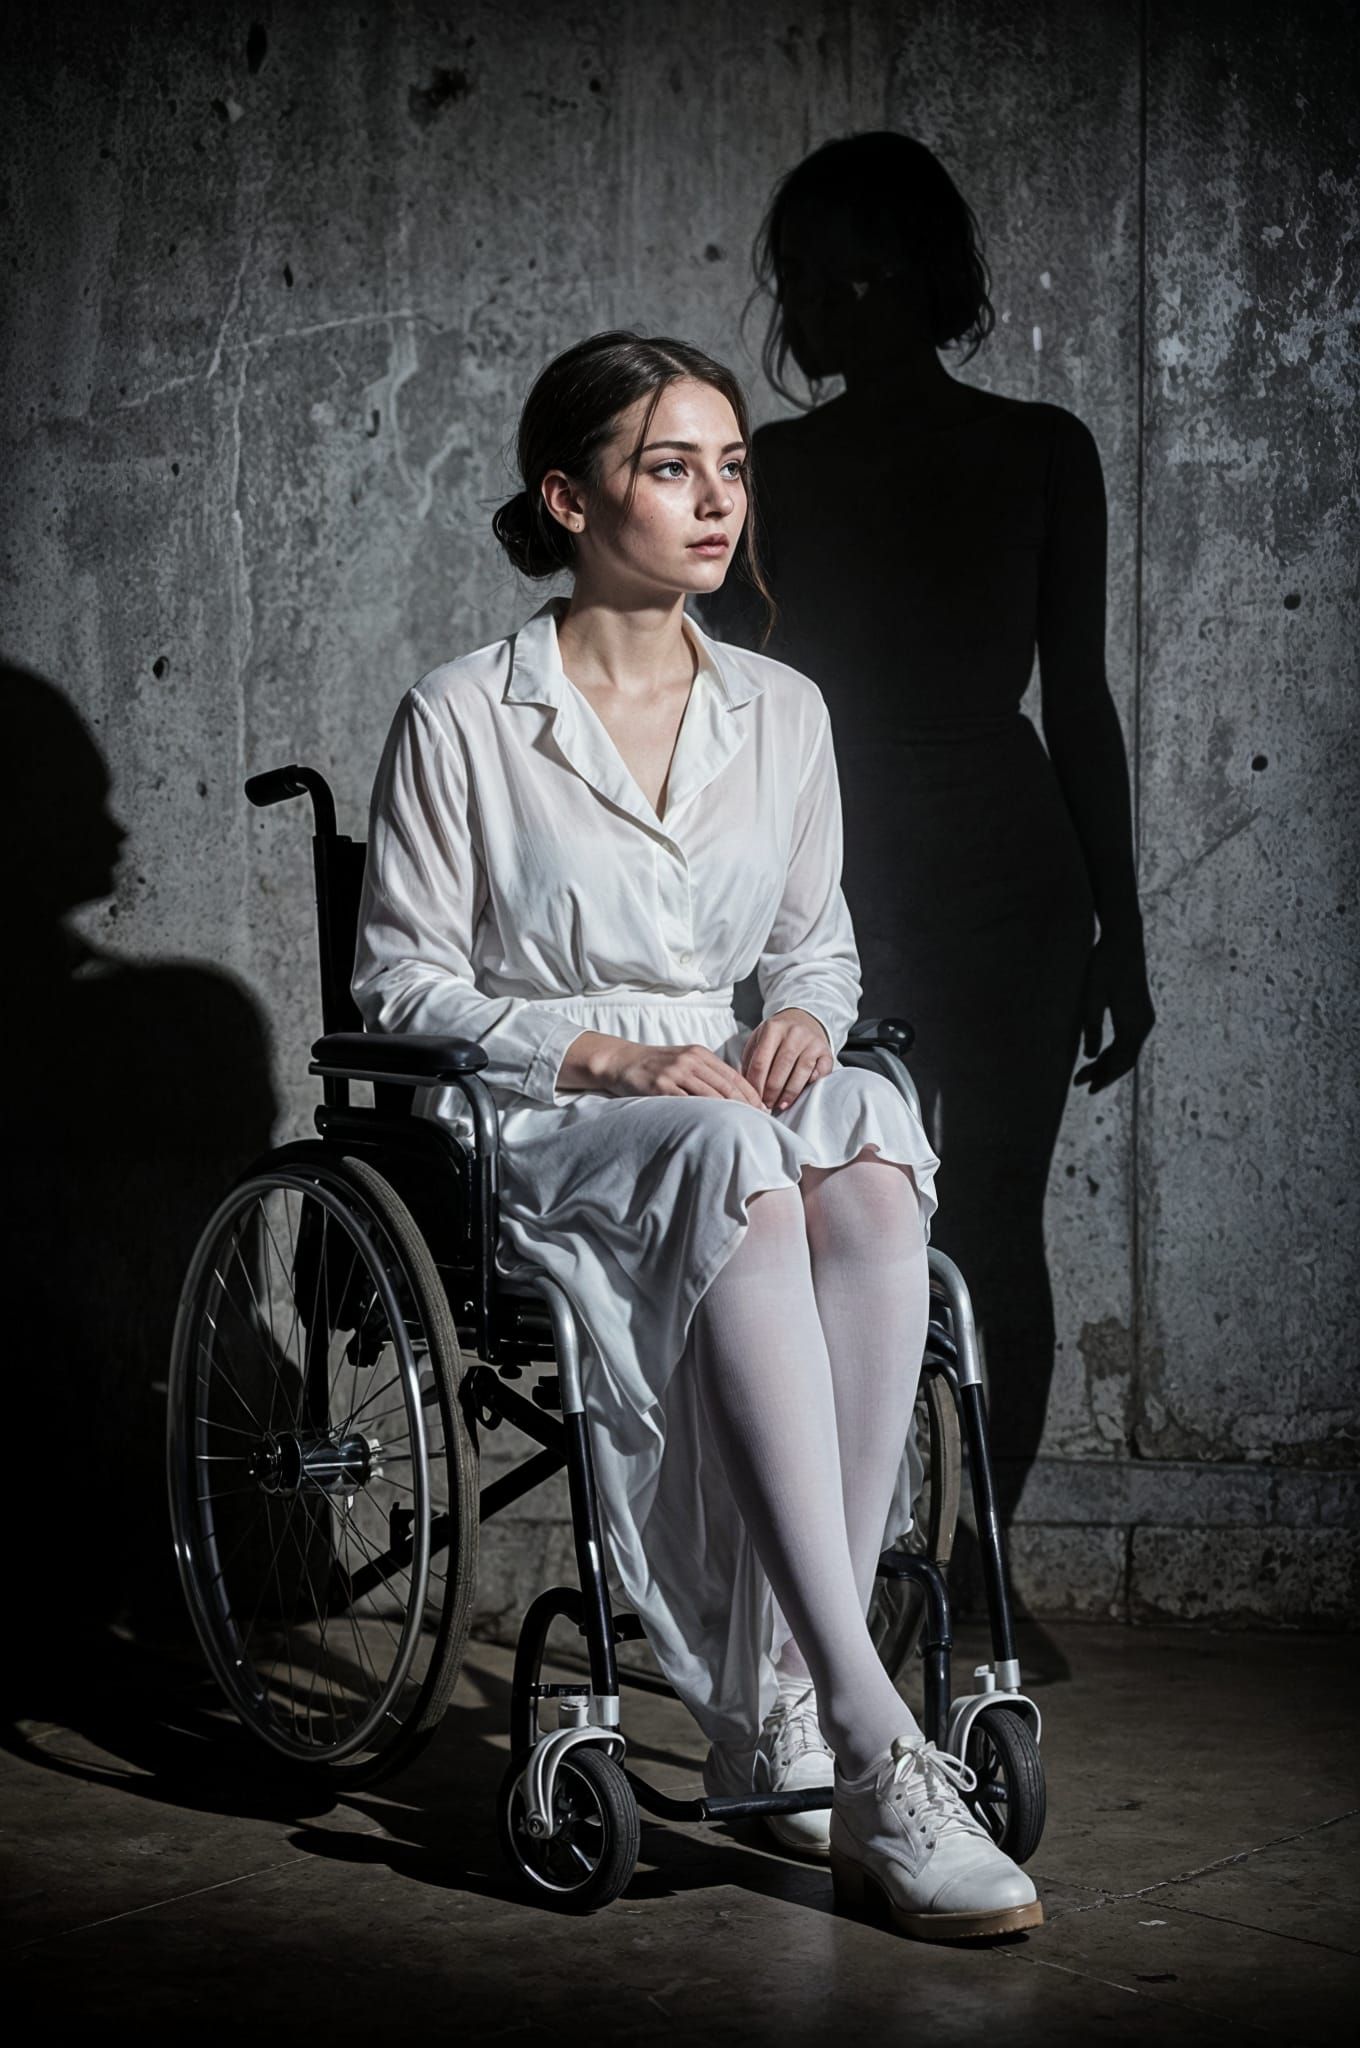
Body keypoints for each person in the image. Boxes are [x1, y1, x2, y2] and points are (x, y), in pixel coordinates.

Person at [351, 330, 1041, 1940]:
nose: (719, 500)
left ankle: (798, 1686)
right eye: (672, 468)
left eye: (732, 467)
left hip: (729, 1090)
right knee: (733, 1159)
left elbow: (814, 947)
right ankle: (874, 1741)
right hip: (544, 1118)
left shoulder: (781, 712)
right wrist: (600, 1049)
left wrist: (802, 1017)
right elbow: (400, 983)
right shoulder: (464, 715)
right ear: (569, 497)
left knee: (868, 1137)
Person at [701, 133, 1155, 1595]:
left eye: (801, 280)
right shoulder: (1038, 449)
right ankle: (962, 1575)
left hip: (858, 877)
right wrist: (1119, 931)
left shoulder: (777, 472)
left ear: (866, 280)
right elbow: (1075, 707)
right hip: (992, 878)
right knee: (982, 1227)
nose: (788, 313)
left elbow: (727, 718)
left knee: (841, 1217)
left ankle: (867, 1577)